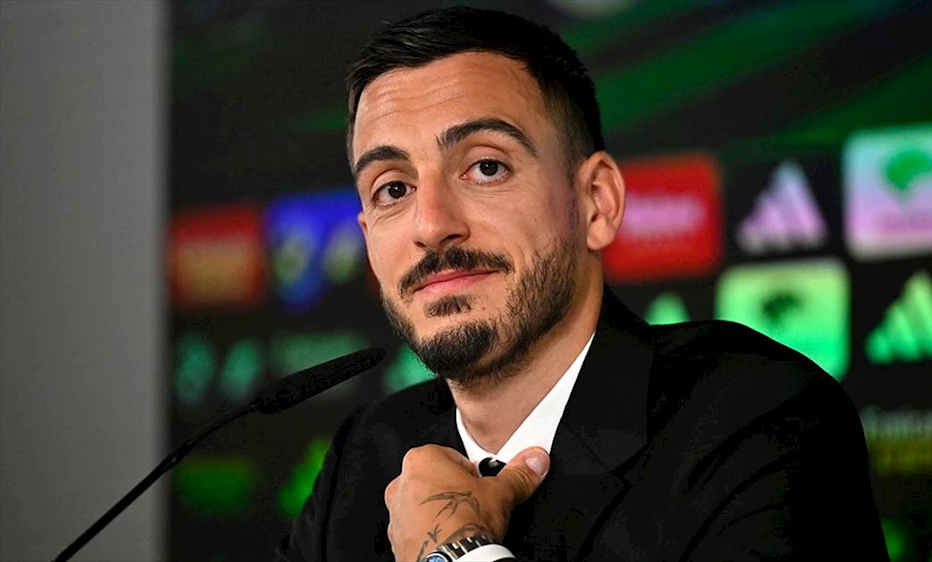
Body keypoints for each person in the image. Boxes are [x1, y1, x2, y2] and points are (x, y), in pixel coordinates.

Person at [275, 6, 889, 562]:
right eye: (393, 189)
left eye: (485, 167)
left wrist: (454, 551)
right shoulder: (364, 460)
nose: (430, 225)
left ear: (596, 202)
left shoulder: (758, 418)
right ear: (367, 236)